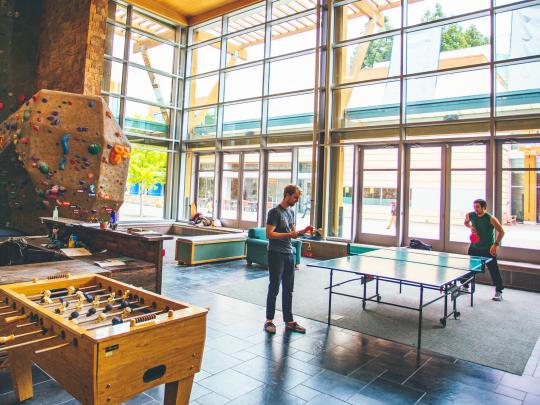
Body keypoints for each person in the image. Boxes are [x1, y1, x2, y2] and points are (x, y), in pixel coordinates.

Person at [264, 184, 311, 334]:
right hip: (275, 254)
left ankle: (289, 321)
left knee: (288, 289)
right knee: (274, 288)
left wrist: (302, 232)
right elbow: (269, 234)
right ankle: (269, 320)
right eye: (295, 197)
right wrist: (288, 235)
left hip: (289, 253)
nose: (297, 200)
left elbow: (293, 233)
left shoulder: (291, 212)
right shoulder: (274, 212)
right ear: (287, 195)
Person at [463, 199, 505, 301]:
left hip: (488, 249)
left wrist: (495, 245)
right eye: (474, 207)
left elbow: (501, 232)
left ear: (484, 207)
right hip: (474, 247)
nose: (475, 209)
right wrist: (470, 226)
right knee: (471, 268)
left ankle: (499, 291)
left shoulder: (491, 218)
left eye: (477, 207)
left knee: (493, 270)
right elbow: (466, 222)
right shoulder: (471, 214)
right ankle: (465, 286)